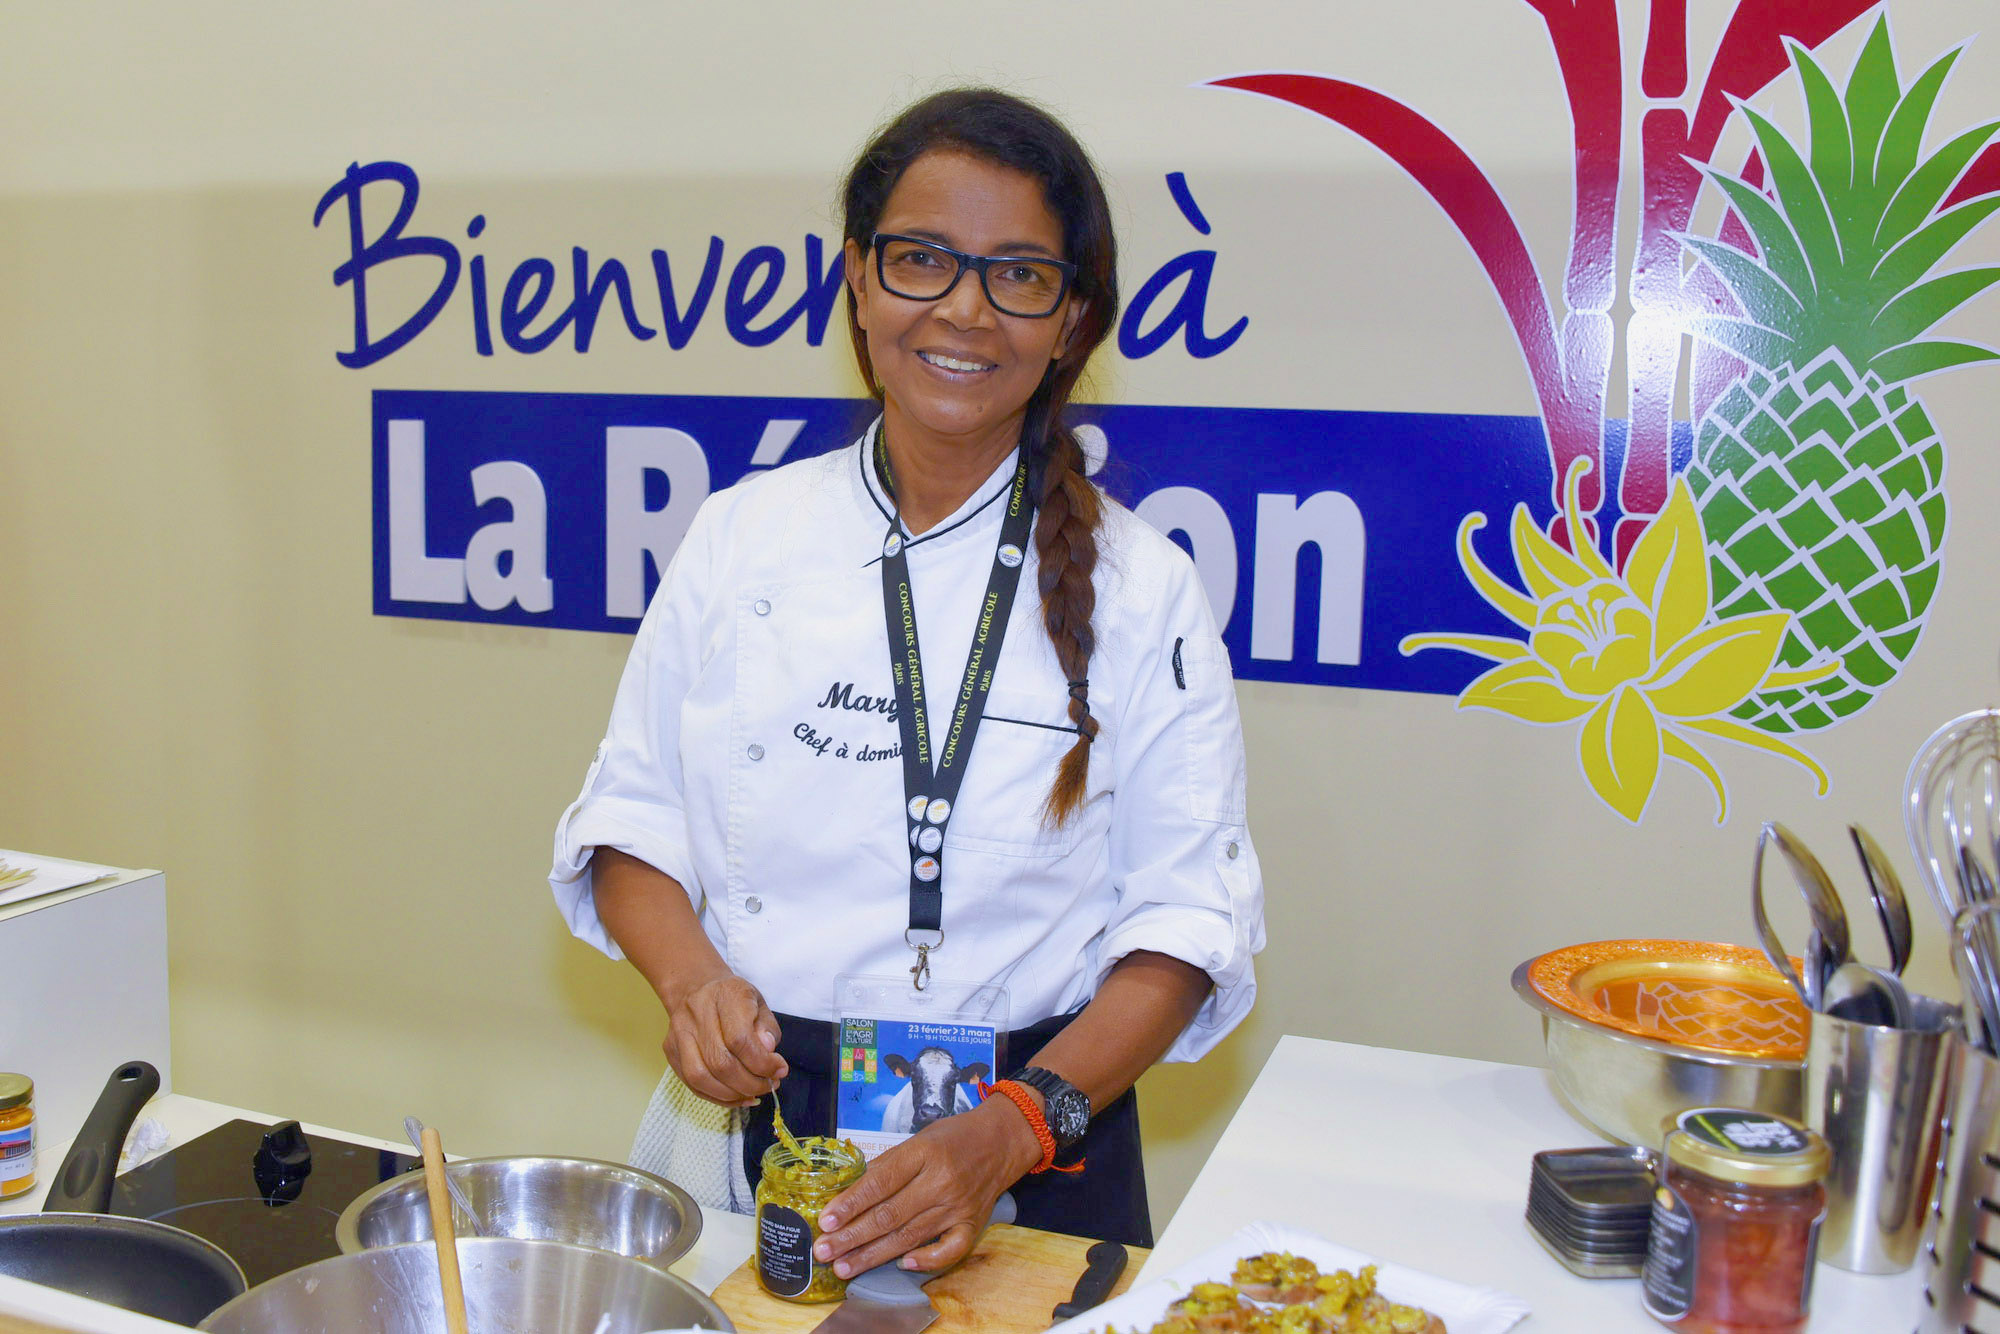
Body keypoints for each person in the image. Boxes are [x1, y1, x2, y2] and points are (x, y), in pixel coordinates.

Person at [550, 87, 1263, 1272]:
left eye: (1019, 274)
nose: (963, 312)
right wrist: (689, 982)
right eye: (921, 260)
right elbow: (632, 822)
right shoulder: (742, 535)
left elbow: (1185, 929)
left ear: (1070, 318)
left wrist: (1008, 1128)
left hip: (1036, 1134)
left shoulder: (1145, 587)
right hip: (762, 1124)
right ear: (858, 281)